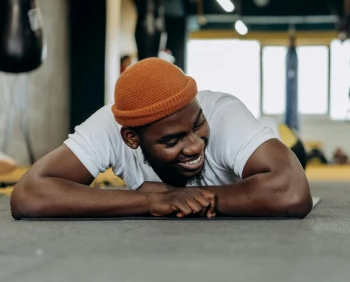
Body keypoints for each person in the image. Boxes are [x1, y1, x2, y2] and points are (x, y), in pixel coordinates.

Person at [11, 58, 313, 219]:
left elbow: (291, 191)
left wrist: (190, 200)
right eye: (172, 140)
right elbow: (29, 194)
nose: (195, 144)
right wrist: (150, 201)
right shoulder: (111, 124)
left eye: (198, 125)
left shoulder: (223, 113)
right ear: (131, 138)